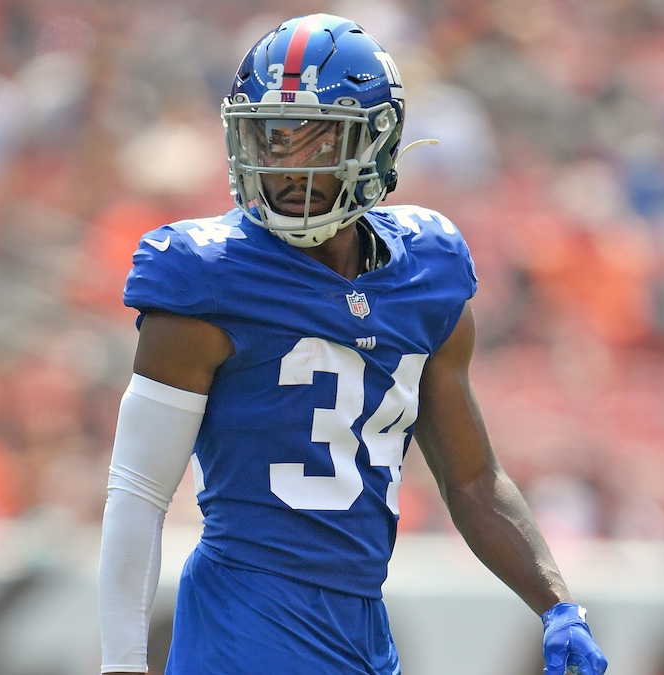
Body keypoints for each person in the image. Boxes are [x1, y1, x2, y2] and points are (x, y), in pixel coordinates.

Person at [97, 13, 608, 675]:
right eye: (265, 136)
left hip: (361, 634)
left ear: (376, 142)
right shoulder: (207, 274)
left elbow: (473, 479)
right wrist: (122, 663)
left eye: (308, 138)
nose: (279, 163)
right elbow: (138, 490)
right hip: (242, 626)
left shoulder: (429, 270)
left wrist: (558, 604)